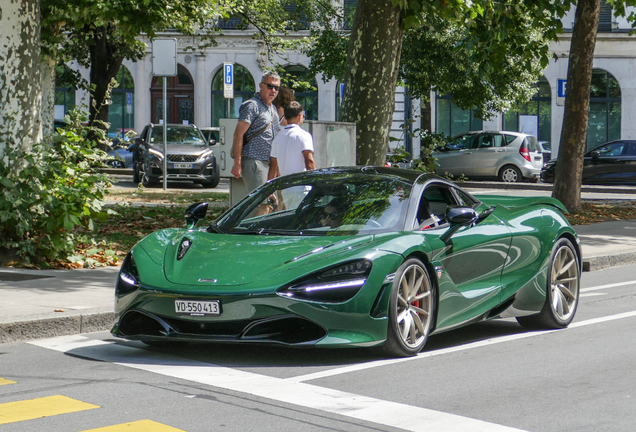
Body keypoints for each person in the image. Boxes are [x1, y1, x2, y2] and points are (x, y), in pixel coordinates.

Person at [231, 71, 281, 192]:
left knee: (269, 203)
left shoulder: (272, 108)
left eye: (276, 88)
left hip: (269, 162)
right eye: (270, 86)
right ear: (261, 85)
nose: (273, 90)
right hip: (254, 160)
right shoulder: (252, 105)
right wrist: (237, 163)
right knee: (261, 204)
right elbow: (238, 134)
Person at [268, 101, 316, 180]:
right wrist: (316, 182)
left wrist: (269, 190)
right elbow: (309, 161)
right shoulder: (304, 135)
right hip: (302, 187)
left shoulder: (277, 139)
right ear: (300, 116)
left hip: (285, 188)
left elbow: (273, 167)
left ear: (285, 117)